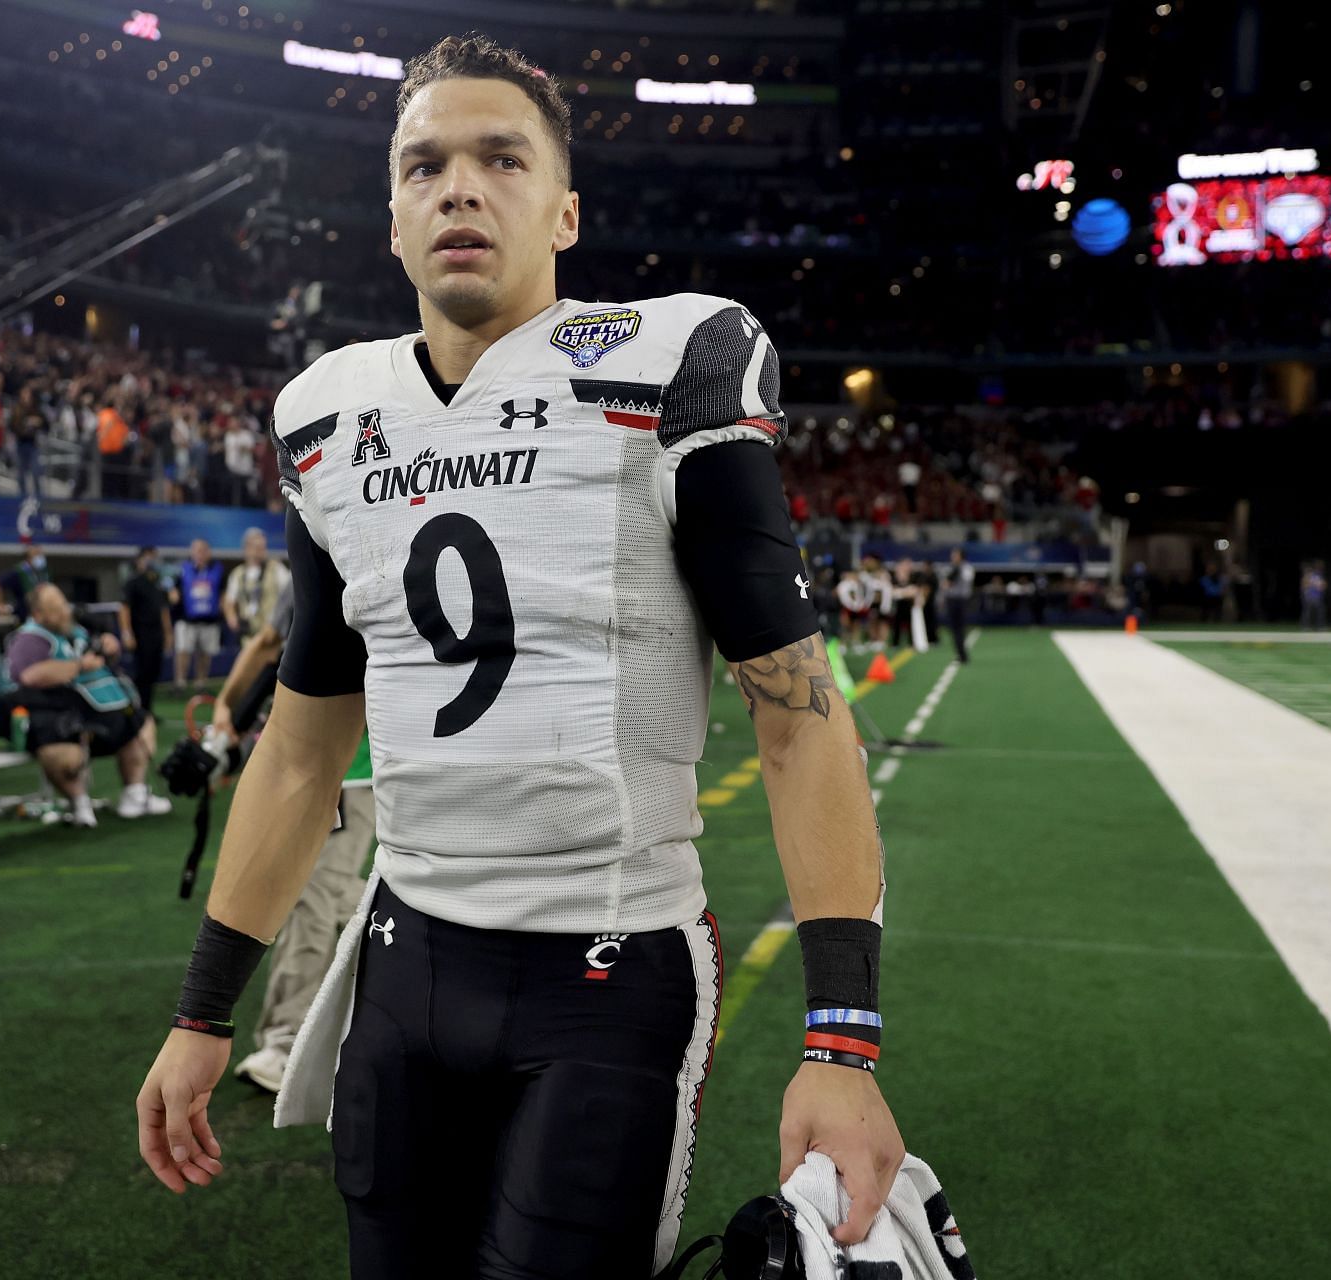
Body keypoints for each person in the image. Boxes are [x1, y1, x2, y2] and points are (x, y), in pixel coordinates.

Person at [136, 35, 902, 1279]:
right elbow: (302, 744)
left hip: (608, 965)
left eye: (502, 158)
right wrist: (202, 1010)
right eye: (424, 164)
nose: (460, 187)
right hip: (406, 957)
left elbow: (797, 715)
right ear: (391, 216)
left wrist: (845, 1041)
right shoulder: (330, 415)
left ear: (564, 209)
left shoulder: (672, 367)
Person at [206, 579, 375, 1096]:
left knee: (315, 893)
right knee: (342, 892)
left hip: (339, 761)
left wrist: (225, 705)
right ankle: (365, 1006)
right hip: (378, 756)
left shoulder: (319, 541)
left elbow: (267, 643)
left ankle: (287, 1042)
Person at [4, 583, 172, 827]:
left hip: (97, 710)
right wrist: (79, 666)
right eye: (55, 608)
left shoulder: (74, 629)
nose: (63, 612)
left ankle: (134, 794)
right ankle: (79, 803)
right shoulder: (30, 639)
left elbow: (96, 656)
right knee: (64, 754)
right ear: (38, 614)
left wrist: (108, 648)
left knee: (139, 724)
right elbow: (30, 676)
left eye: (63, 604)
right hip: (56, 719)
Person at [119, 546, 173, 712]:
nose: (152, 561)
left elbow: (163, 610)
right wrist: (127, 633)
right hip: (141, 635)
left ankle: (147, 710)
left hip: (156, 634)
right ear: (140, 560)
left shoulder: (158, 583)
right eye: (148, 557)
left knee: (153, 673)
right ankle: (137, 710)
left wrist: (168, 634)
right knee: (141, 674)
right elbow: (124, 608)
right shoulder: (133, 583)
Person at [220, 527, 290, 646]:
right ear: (246, 548)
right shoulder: (238, 574)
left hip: (273, 636)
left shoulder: (276, 569)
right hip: (248, 636)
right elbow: (229, 601)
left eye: (263, 547)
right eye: (256, 547)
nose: (260, 551)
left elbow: (289, 598)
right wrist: (231, 617)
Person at [173, 538, 225, 691]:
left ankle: (201, 682)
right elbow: (174, 593)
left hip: (209, 620)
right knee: (183, 651)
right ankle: (180, 682)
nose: (200, 554)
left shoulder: (218, 570)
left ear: (208, 552)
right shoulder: (183, 570)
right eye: (196, 550)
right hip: (187, 620)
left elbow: (223, 594)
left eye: (203, 550)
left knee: (205, 653)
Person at [0, 540, 52, 622]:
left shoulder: (42, 572)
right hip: (24, 616)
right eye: (37, 554)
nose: (40, 557)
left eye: (41, 554)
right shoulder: (19, 572)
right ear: (28, 558)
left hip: (41, 615)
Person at [944, 548, 974, 663]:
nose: (952, 557)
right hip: (953, 600)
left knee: (959, 629)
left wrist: (954, 576)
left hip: (960, 601)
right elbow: (945, 584)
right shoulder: (952, 567)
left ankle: (963, 655)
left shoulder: (966, 568)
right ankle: (960, 653)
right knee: (954, 629)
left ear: (961, 556)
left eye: (955, 555)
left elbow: (966, 582)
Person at [1299, 560, 1328, 631]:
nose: (1321, 566)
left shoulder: (1319, 575)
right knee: (1308, 613)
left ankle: (1320, 627)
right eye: (1319, 565)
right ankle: (1306, 627)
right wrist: (1313, 585)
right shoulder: (1309, 574)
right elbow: (1304, 585)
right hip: (1309, 597)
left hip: (1318, 597)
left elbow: (1324, 585)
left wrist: (1321, 586)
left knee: (1320, 612)